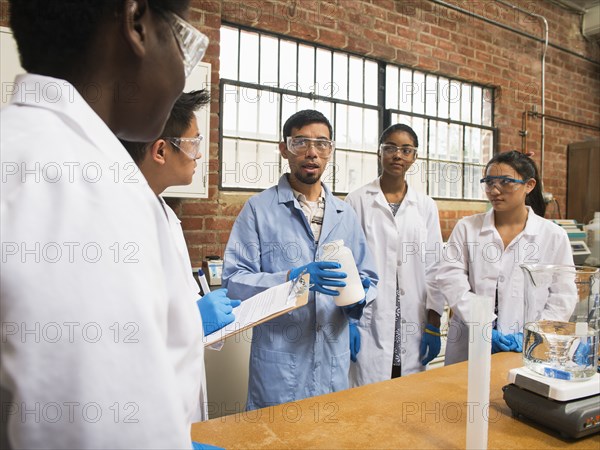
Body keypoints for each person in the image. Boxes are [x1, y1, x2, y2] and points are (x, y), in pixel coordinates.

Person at [1, 1, 211, 448]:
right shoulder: (85, 185)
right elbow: (101, 431)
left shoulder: (18, 145)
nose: (180, 73)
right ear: (136, 24)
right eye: (183, 42)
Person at [221, 109, 378, 410]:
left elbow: (369, 275)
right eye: (301, 143)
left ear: (330, 151)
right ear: (284, 149)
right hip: (280, 366)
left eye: (322, 144)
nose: (312, 153)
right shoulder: (259, 209)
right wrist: (293, 278)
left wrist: (361, 299)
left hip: (332, 360)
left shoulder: (345, 214)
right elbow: (234, 282)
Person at [121, 90, 241, 420]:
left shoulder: (164, 213)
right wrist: (194, 320)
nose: (199, 155)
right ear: (161, 150)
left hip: (176, 404)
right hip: (143, 415)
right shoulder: (119, 221)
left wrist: (201, 318)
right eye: (193, 144)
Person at [437, 151, 575, 365]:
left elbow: (562, 296)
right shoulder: (467, 228)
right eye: (489, 182)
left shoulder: (553, 236)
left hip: (530, 346)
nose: (494, 190)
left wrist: (533, 334)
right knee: (465, 395)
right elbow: (450, 279)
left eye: (506, 182)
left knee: (519, 396)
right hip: (470, 344)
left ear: (529, 185)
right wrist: (482, 323)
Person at [345, 124, 445, 384]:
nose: (397, 155)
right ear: (379, 152)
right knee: (368, 397)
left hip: (413, 319)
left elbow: (435, 267)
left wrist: (434, 323)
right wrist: (349, 320)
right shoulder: (356, 201)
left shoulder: (425, 206)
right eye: (390, 148)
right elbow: (348, 265)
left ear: (415, 157)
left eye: (406, 149)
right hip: (370, 317)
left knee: (405, 394)